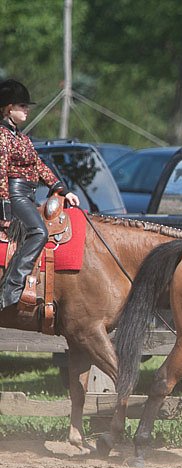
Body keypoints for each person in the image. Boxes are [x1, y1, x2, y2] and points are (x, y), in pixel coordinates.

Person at [0, 79, 80, 310]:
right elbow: (1, 171)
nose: (27, 110)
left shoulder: (23, 138)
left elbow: (39, 166)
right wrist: (4, 207)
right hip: (14, 195)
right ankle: (11, 288)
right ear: (8, 109)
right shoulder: (2, 136)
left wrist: (62, 190)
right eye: (22, 106)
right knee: (38, 232)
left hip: (29, 194)